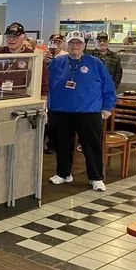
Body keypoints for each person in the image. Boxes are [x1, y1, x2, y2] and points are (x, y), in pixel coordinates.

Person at [47, 31, 116, 192]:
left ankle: (96, 178)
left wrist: (107, 107)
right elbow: (46, 84)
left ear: (84, 45)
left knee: (91, 146)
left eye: (78, 43)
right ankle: (63, 173)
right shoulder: (57, 63)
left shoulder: (95, 63)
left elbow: (108, 86)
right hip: (61, 111)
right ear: (65, 45)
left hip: (89, 111)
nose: (75, 46)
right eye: (71, 43)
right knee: (62, 144)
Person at [0, 21, 48, 96]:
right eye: (9, 36)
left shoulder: (32, 56)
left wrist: (42, 100)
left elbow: (43, 82)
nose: (11, 40)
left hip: (21, 99)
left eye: (15, 37)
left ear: (23, 38)